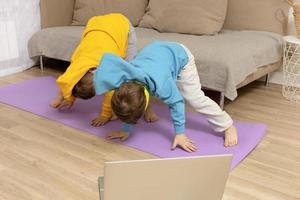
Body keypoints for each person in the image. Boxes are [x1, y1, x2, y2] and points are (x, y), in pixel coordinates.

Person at [72, 41, 238, 152]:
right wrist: (126, 129)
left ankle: (227, 125)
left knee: (194, 98)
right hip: (154, 54)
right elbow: (107, 67)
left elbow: (177, 103)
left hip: (180, 56)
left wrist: (180, 133)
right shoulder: (122, 78)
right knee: (135, 97)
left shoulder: (162, 86)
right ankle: (146, 111)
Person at [50, 13, 158, 126]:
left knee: (133, 72)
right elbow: (70, 79)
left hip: (121, 24)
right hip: (96, 24)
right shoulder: (78, 62)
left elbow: (110, 90)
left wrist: (105, 115)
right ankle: (63, 97)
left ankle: (147, 108)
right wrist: (69, 98)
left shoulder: (108, 66)